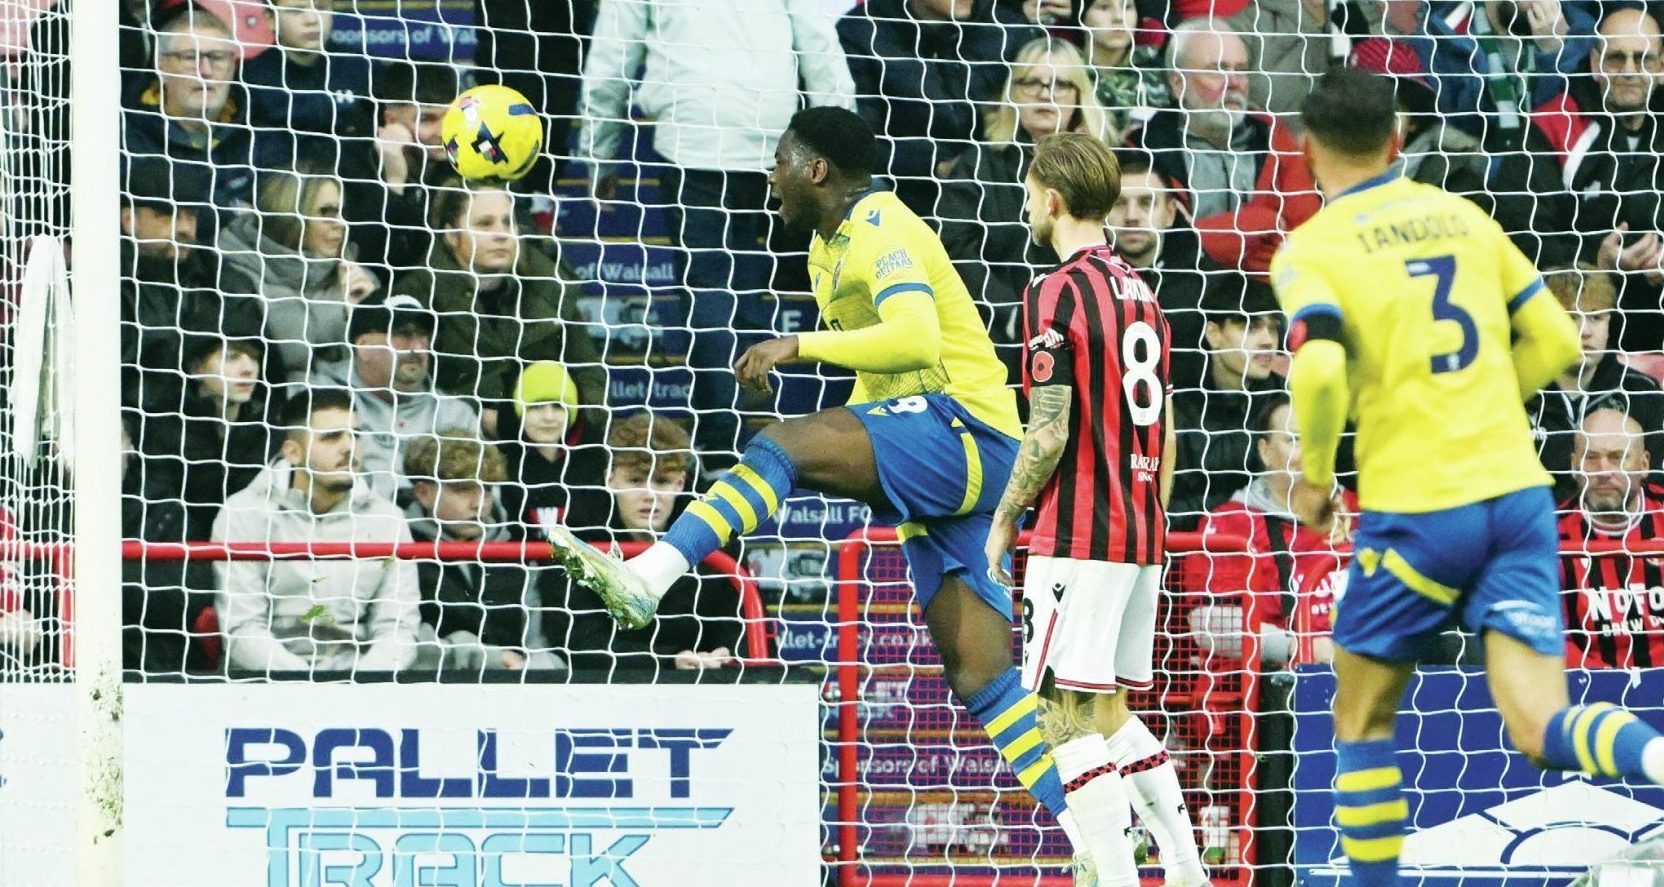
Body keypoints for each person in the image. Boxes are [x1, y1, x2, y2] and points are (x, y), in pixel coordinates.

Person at [544, 106, 1082, 858]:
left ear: (817, 168)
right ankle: (1100, 832)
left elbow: (919, 336)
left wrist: (798, 346)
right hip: (942, 450)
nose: (771, 175)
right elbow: (880, 375)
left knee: (783, 444)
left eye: (779, 160)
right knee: (983, 674)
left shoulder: (881, 226)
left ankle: (651, 573)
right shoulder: (825, 250)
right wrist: (851, 451)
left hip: (973, 433)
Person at [1271, 67, 1664, 887]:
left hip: (1420, 504)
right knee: (1540, 722)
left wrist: (1313, 479)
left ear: (1308, 150)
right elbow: (1557, 338)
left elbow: (1316, 375)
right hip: (1517, 500)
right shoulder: (1465, 218)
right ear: (1396, 139)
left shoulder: (1311, 249)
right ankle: (1654, 752)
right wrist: (1479, 397)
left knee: (1360, 713)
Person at [982, 131, 1206, 887]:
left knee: (1060, 717)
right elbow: (1167, 425)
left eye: (1028, 190)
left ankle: (1113, 875)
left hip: (1078, 532)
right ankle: (1183, 865)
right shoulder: (1146, 294)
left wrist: (1007, 516)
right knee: (1107, 710)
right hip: (1140, 529)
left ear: (1050, 199)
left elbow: (1047, 429)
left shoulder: (1055, 290)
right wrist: (1148, 515)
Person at [936, 36, 1113, 380]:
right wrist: (1014, 314)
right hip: (992, 335)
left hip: (1082, 332)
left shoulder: (1103, 168)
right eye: (1032, 82)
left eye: (1061, 84)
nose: (1046, 94)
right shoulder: (979, 163)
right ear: (1012, 92)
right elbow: (953, 246)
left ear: (1079, 96)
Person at [212, 388, 421, 674]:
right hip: (263, 685)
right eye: (332, 437)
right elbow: (243, 628)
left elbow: (398, 628)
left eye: (356, 434)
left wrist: (359, 684)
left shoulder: (388, 519)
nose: (349, 447)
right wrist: (309, 688)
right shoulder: (243, 512)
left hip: (363, 684)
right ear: (292, 452)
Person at [1491, 7, 1664, 347]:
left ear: (1661, 68)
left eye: (1642, 58)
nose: (1629, 71)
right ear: (1596, 64)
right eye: (1616, 58)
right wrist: (1596, 260)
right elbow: (1519, 235)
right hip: (1572, 330)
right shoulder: (1552, 125)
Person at [394, 182, 604, 435]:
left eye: (508, 223)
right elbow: (409, 386)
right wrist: (479, 417)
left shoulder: (552, 288)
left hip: (549, 443)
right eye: (485, 224)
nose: (501, 234)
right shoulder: (417, 296)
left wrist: (568, 424)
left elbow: (591, 379)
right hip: (454, 440)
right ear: (451, 236)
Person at [1126, 18, 1320, 275]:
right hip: (1175, 297)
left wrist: (1204, 235)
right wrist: (1259, 222)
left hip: (1269, 298)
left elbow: (1308, 239)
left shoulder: (1276, 139)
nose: (1234, 82)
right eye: (1217, 70)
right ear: (1177, 83)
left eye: (1240, 70)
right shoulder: (1143, 149)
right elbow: (1154, 249)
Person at [551, 414, 743, 671]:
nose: (649, 496)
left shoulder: (716, 541)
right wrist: (670, 660)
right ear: (610, 480)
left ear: (680, 483)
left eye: (661, 482)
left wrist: (723, 655)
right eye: (636, 481)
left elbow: (736, 631)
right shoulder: (580, 541)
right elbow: (579, 642)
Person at [1189, 393, 1356, 668]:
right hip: (1268, 685)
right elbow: (1206, 622)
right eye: (1295, 440)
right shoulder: (1230, 523)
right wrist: (1295, 646)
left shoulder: (1359, 512)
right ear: (1265, 451)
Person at [839, 0, 1043, 212]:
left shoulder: (1007, 29)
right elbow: (862, 138)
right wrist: (934, 166)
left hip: (995, 184)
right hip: (906, 189)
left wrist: (979, 165)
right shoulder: (862, 31)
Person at [404, 431, 553, 672]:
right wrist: (485, 657)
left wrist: (537, 670)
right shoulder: (401, 549)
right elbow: (404, 645)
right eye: (464, 489)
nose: (479, 503)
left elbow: (541, 642)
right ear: (423, 493)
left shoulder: (518, 549)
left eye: (487, 489)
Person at [217, 163, 380, 383]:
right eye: (327, 213)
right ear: (290, 214)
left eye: (342, 213)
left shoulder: (359, 279)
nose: (341, 224)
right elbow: (284, 353)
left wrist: (367, 315)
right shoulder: (233, 272)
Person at [317, 294, 480, 504]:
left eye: (422, 335)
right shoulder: (318, 399)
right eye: (403, 334)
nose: (417, 347)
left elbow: (484, 498)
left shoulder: (456, 414)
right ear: (364, 347)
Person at [1526, 264, 1664, 499]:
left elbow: (1657, 485)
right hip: (1534, 529)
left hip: (1623, 531)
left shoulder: (1641, 392)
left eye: (1596, 317)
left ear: (1610, 325)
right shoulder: (1516, 392)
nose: (1584, 332)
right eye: (1570, 317)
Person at [1168, 275, 1285, 529]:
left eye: (1273, 327)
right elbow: (1160, 509)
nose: (1268, 340)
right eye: (1251, 327)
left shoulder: (1286, 404)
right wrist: (1235, 505)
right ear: (1214, 333)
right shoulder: (1174, 405)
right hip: (1185, 556)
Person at [140, 335, 281, 538]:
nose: (249, 369)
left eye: (255, 358)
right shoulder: (161, 430)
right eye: (232, 357)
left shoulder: (272, 431)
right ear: (196, 368)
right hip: (185, 556)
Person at [122, 1, 254, 211]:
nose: (205, 71)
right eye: (190, 58)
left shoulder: (256, 137)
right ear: (161, 65)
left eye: (217, 58)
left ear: (233, 67)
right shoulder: (125, 142)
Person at [1558, 408, 1664, 670]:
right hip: (1585, 691)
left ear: (1643, 464)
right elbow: (1548, 634)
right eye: (1591, 457)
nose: (1603, 471)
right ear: (1574, 465)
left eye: (1618, 457)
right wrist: (1604, 682)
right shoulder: (1550, 534)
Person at [1106, 149, 1217, 387]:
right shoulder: (1076, 281)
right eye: (1119, 204)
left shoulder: (1209, 287)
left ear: (1169, 213)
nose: (1132, 216)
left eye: (1147, 202)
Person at [496, 361, 608, 535]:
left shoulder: (599, 465)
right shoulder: (499, 469)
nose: (548, 417)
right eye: (536, 407)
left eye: (558, 406)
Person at [1081, 0, 1170, 134]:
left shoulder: (1160, 72)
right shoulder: (1062, 70)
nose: (1118, 17)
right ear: (1081, 14)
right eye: (1104, 7)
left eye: (1127, 7)